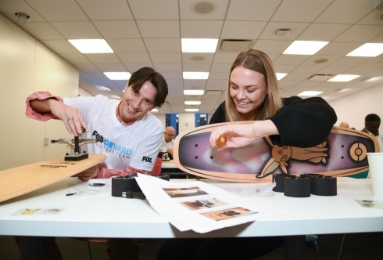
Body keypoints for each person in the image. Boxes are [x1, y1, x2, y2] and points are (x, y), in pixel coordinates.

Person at [157, 49, 337, 260]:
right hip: (229, 207)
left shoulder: (287, 108)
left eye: (250, 89)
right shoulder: (225, 112)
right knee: (171, 252)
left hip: (275, 213)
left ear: (268, 88)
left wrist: (256, 130)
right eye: (234, 87)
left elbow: (324, 114)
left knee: (211, 255)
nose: (240, 96)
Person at [22, 67, 168, 260]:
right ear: (126, 87)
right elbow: (33, 103)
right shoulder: (96, 106)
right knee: (26, 226)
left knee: (125, 241)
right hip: (79, 192)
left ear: (152, 107)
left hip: (119, 199)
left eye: (147, 101)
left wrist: (98, 173)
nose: (136, 104)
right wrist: (55, 105)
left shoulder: (153, 129)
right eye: (135, 92)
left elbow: (137, 177)